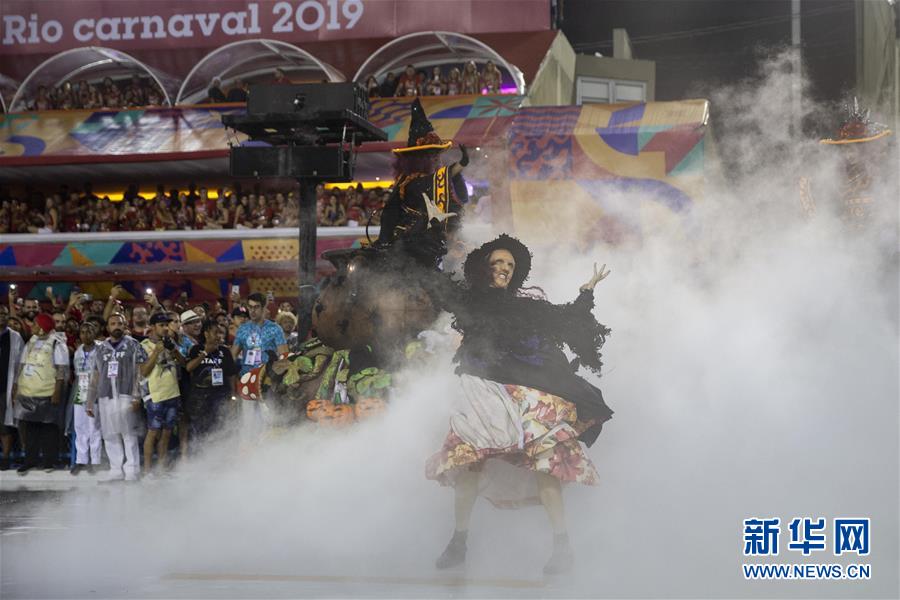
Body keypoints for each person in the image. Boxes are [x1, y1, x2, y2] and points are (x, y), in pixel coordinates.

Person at [426, 234, 614, 575]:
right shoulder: (469, 300)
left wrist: (587, 291)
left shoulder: (528, 306)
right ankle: (458, 542)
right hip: (481, 389)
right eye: (498, 263)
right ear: (485, 268)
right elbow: (434, 280)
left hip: (526, 391)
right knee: (468, 464)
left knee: (547, 462)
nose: (504, 269)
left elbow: (566, 319)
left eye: (510, 265)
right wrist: (430, 230)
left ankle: (562, 547)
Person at [86, 313, 146, 482]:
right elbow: (95, 376)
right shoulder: (100, 348)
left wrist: (137, 396)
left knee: (128, 434)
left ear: (125, 324)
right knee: (110, 434)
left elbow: (140, 372)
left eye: (119, 323)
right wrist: (90, 401)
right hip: (106, 397)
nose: (116, 326)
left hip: (126, 395)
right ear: (108, 327)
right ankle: (115, 470)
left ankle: (132, 470)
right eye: (113, 323)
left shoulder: (133, 345)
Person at [13, 313, 70, 474]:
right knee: (31, 428)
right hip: (28, 391)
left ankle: (49, 462)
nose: (33, 326)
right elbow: (22, 365)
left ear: (43, 327)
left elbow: (61, 370)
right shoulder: (31, 342)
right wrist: (16, 387)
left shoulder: (57, 344)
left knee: (48, 428)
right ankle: (30, 461)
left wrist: (57, 391)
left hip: (47, 391)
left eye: (36, 324)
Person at [140, 312, 184, 474]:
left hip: (172, 393)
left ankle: (161, 469)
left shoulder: (171, 342)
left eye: (167, 325)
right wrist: (156, 352)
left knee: (166, 433)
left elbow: (183, 364)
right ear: (152, 327)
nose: (166, 328)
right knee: (153, 432)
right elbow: (143, 371)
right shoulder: (143, 345)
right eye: (162, 325)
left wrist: (174, 351)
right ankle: (146, 471)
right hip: (155, 396)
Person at [185, 320, 237, 441]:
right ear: (206, 333)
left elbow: (231, 375)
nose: (219, 336)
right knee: (200, 428)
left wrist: (233, 396)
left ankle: (217, 454)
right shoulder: (196, 349)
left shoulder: (225, 351)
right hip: (200, 396)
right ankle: (200, 454)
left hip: (220, 394)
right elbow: (189, 368)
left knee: (220, 426)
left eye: (220, 333)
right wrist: (205, 352)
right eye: (215, 332)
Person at [70, 322, 102, 475]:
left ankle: (95, 461)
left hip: (95, 390)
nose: (85, 334)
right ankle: (81, 460)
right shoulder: (78, 351)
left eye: (89, 331)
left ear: (94, 332)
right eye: (82, 332)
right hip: (81, 388)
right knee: (79, 426)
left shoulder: (101, 348)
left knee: (94, 426)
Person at [231, 293, 287, 376]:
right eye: (250, 307)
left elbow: (284, 356)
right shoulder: (242, 329)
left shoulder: (275, 329)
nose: (252, 310)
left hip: (267, 377)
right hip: (246, 377)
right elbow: (233, 356)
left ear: (264, 308)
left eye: (256, 307)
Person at [0, 308, 24, 470]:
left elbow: (21, 364)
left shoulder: (15, 337)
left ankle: (6, 457)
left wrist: (16, 387)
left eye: (3, 314)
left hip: (5, 387)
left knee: (4, 425)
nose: (1, 317)